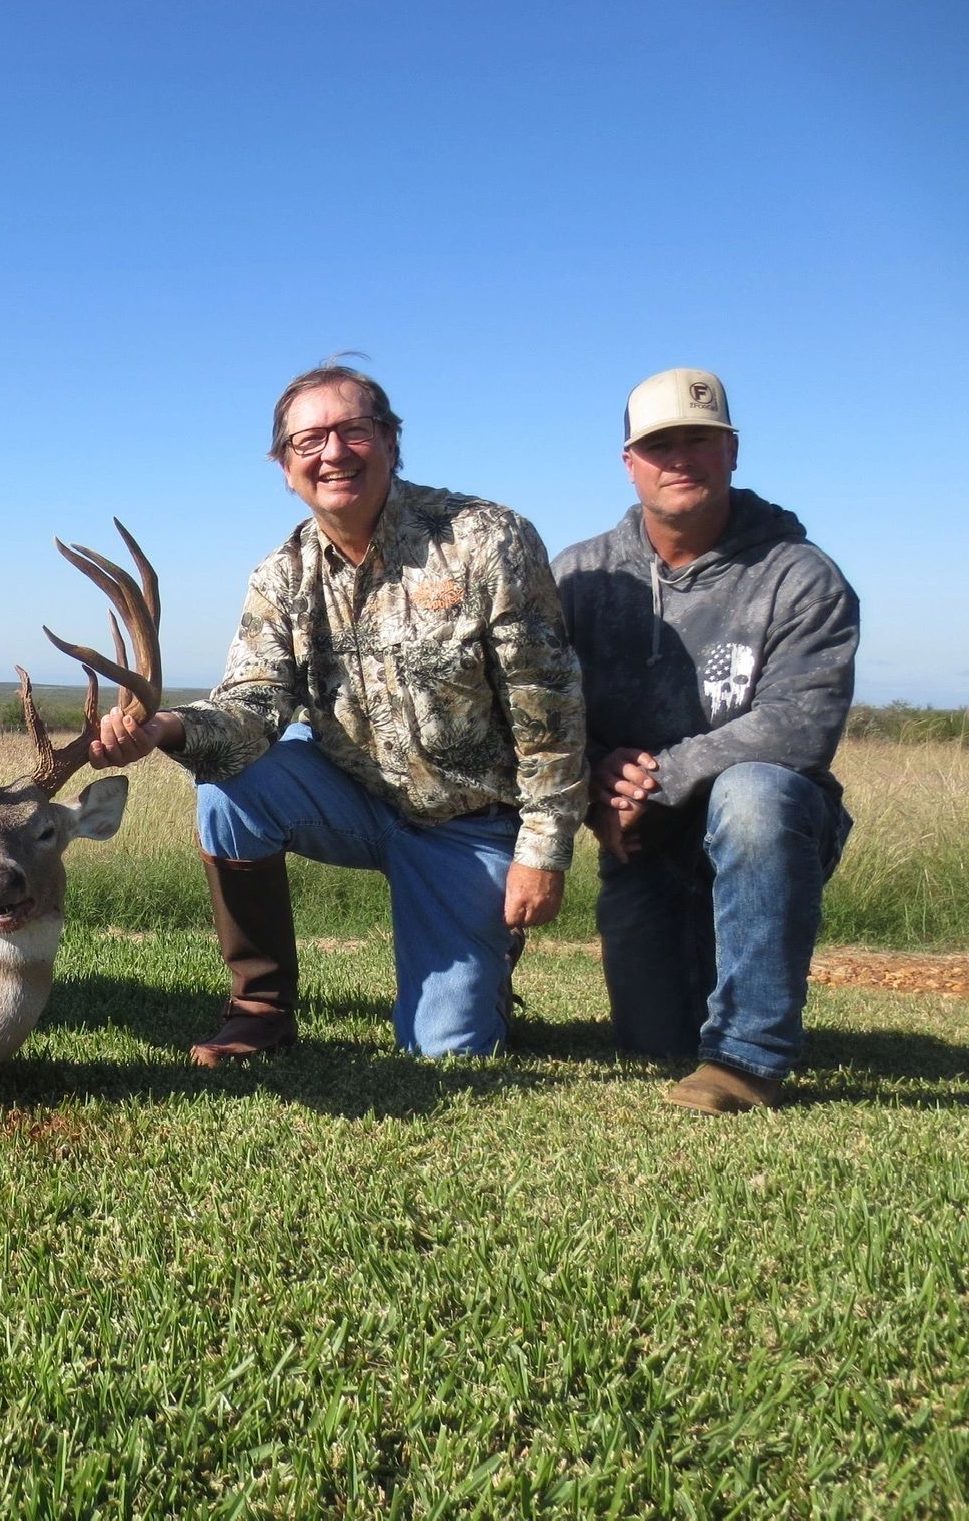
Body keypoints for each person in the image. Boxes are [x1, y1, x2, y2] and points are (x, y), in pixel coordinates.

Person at [91, 363, 586, 1063]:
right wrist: (164, 728)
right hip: (352, 801)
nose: (332, 453)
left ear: (390, 440)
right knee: (230, 789)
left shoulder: (484, 540)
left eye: (353, 431)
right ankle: (260, 1008)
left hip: (465, 826)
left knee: (446, 1053)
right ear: (283, 464)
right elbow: (254, 704)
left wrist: (542, 851)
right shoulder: (282, 574)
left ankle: (484, 968)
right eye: (309, 440)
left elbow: (549, 709)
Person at [554, 369, 858, 1113]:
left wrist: (659, 775)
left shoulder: (802, 577)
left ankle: (746, 1058)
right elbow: (541, 711)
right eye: (660, 445)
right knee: (651, 1041)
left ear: (732, 451)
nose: (680, 459)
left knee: (753, 792)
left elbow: (799, 724)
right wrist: (596, 775)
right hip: (641, 841)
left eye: (700, 440)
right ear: (630, 463)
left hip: (768, 820)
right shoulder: (578, 577)